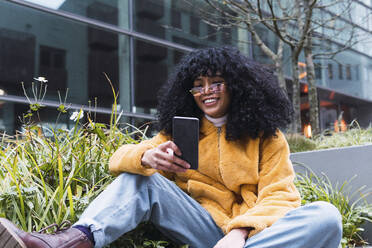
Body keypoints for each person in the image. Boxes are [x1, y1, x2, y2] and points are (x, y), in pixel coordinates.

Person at [0, 46, 342, 248]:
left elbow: (280, 196)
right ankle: (73, 242)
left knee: (326, 217)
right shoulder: (182, 131)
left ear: (237, 86)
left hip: (252, 239)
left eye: (216, 82)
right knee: (141, 177)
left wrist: (240, 233)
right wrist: (147, 156)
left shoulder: (266, 135)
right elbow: (118, 159)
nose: (206, 91)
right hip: (204, 229)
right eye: (198, 85)